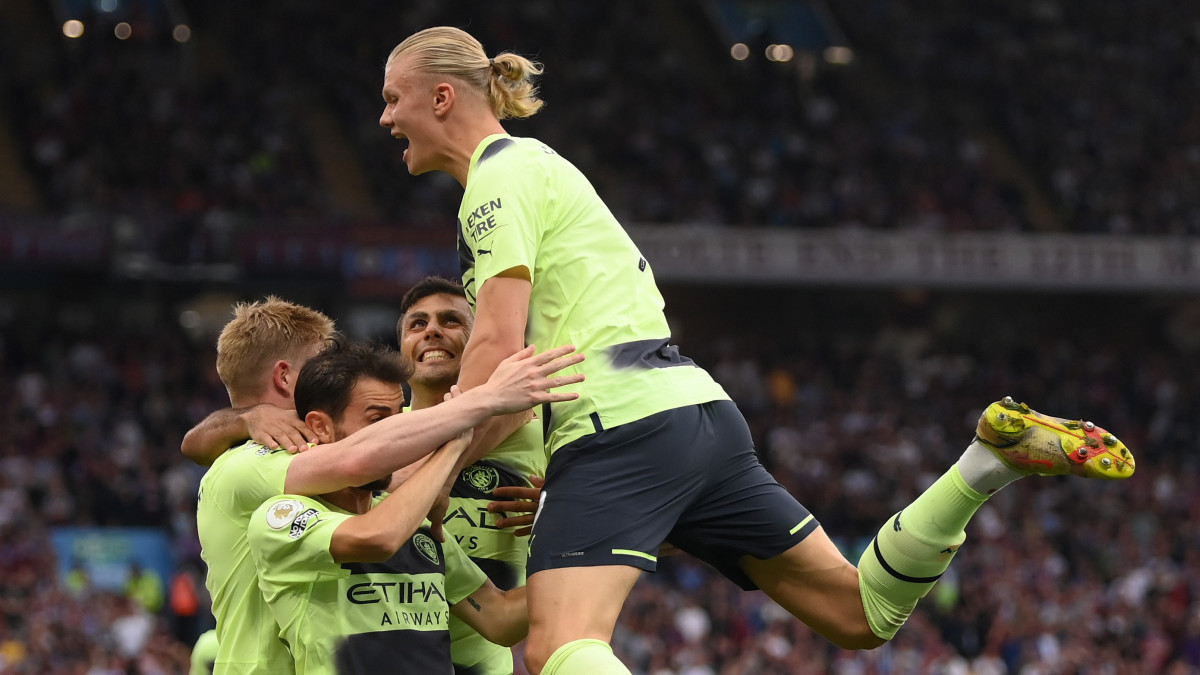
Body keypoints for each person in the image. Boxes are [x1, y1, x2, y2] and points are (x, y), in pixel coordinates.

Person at [377, 26, 1137, 675]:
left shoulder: (497, 179)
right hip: (696, 416)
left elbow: (497, 357)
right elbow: (502, 608)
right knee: (859, 613)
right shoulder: (540, 168)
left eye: (392, 98)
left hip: (618, 428)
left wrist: (422, 471)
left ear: (441, 97)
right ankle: (985, 462)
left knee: (556, 648)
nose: (385, 119)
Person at [194, 297, 582, 673]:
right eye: (322, 361)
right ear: (285, 378)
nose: (334, 370)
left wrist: (575, 525)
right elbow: (362, 463)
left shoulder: (377, 496)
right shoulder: (246, 464)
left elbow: (498, 615)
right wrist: (483, 406)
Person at [248, 340, 529, 675]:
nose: (398, 438)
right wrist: (453, 447)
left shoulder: (421, 526)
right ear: (320, 427)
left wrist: (580, 538)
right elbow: (378, 538)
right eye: (378, 420)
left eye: (400, 420)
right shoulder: (280, 517)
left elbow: (500, 618)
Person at [396, 276, 546, 674]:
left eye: (450, 321)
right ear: (400, 352)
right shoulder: (376, 437)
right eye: (417, 324)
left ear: (480, 340)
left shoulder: (546, 430)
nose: (431, 330)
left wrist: (570, 512)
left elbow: (656, 525)